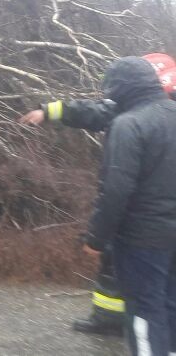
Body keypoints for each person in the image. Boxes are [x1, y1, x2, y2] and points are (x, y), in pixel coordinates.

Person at [19, 53, 176, 338]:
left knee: (151, 300)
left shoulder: (140, 116)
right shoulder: (142, 106)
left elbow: (117, 187)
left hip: (145, 221)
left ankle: (146, 333)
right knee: (146, 285)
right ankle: (112, 320)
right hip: (148, 219)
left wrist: (98, 235)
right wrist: (52, 111)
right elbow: (99, 111)